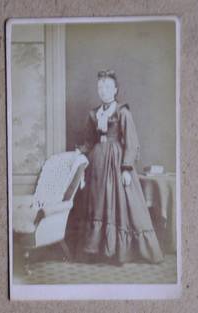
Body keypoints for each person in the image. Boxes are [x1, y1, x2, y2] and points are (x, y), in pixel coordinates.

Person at [66, 70, 164, 265]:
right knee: (97, 202)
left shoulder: (123, 112)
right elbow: (89, 140)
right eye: (100, 87)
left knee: (117, 203)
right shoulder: (94, 114)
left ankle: (118, 252)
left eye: (108, 87)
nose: (103, 91)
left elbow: (131, 141)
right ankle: (96, 250)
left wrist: (127, 168)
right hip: (97, 166)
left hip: (116, 163)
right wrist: (80, 152)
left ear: (115, 89)